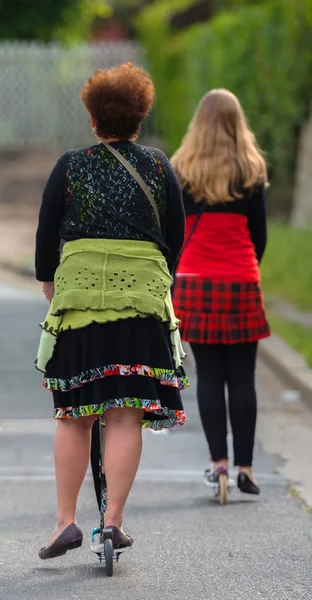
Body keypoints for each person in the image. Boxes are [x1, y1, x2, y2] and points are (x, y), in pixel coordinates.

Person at [34, 63, 188, 560]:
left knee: (73, 415)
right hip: (142, 301)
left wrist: (50, 283)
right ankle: (113, 522)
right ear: (140, 116)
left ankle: (64, 523)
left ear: (94, 119)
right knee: (125, 416)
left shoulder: (70, 165)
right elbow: (175, 239)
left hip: (80, 302)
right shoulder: (160, 167)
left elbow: (46, 231)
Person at [171, 89, 270, 496]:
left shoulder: (182, 168)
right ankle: (246, 467)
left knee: (209, 374)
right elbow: (259, 236)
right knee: (243, 376)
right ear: (237, 122)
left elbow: (174, 232)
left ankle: (219, 465)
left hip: (193, 281)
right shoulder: (251, 168)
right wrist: (244, 267)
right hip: (240, 280)